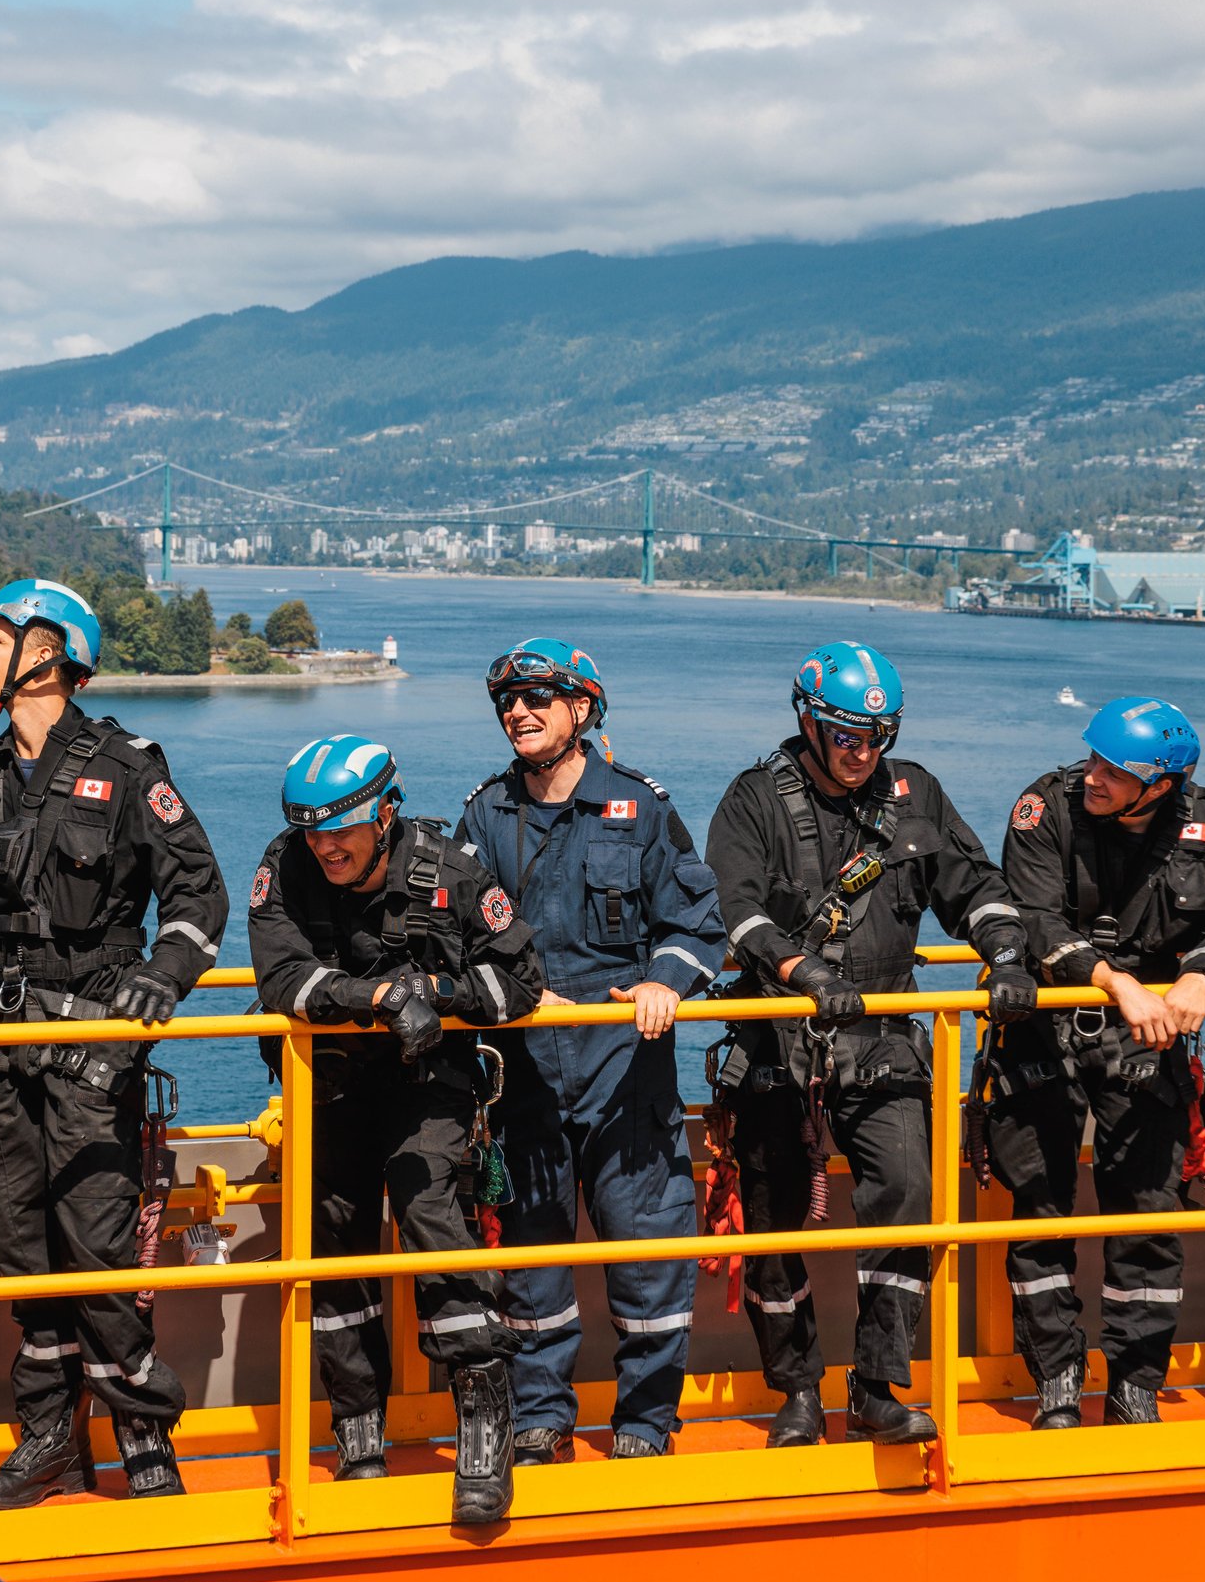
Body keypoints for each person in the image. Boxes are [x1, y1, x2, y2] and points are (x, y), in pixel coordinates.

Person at [705, 642, 1038, 1447]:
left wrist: (1005, 955)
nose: (864, 755)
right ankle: (796, 1393)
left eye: (878, 738)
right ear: (810, 725)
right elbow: (735, 906)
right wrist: (799, 970)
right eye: (849, 738)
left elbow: (976, 888)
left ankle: (877, 1384)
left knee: (908, 1198)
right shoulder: (753, 800)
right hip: (778, 1041)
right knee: (776, 1227)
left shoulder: (913, 793)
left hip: (884, 1039)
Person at [0, 578, 230, 1507]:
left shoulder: (126, 766)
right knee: (19, 1248)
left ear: (47, 652)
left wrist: (162, 977)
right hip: (4, 1056)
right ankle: (48, 1441)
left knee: (99, 1247)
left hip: (91, 1051)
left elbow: (200, 895)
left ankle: (142, 1439)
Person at [248, 734, 545, 1525]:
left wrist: (436, 991)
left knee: (430, 1217)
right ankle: (359, 1432)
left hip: (428, 1087)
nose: (327, 844)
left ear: (385, 813)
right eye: (313, 828)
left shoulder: (449, 870)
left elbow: (520, 977)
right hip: (334, 1085)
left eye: (342, 826)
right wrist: (376, 998)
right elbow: (281, 975)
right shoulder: (286, 864)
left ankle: (484, 1425)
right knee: (331, 1245)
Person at [457, 637, 725, 1464]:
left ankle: (645, 1424)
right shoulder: (484, 814)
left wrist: (664, 985)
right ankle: (542, 1417)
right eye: (509, 700)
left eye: (540, 697)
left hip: (624, 1074)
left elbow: (694, 923)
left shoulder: (638, 807)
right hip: (526, 1071)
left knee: (648, 1260)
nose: (520, 712)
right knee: (536, 1261)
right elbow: (453, 924)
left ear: (583, 710)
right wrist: (509, 992)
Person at [996, 696, 1205, 1428]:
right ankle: (1055, 1380)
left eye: (1115, 771)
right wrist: (1117, 983)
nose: (1094, 778)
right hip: (1049, 1026)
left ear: (1162, 786)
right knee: (1039, 1208)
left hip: (1151, 1040)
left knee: (1147, 1214)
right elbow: (1034, 917)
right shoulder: (1044, 808)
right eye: (1093, 759)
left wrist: (1203, 976)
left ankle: (1135, 1384)